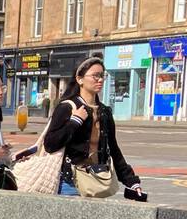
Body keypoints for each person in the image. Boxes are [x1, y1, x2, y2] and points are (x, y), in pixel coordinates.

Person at [43, 56, 143, 198]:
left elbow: (113, 149)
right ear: (80, 79)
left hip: (97, 181)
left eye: (102, 76)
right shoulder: (67, 107)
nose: (100, 80)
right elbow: (50, 144)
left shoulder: (104, 111)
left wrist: (131, 181)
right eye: (95, 76)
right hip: (70, 184)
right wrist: (74, 122)